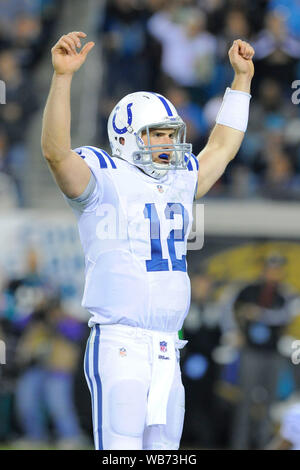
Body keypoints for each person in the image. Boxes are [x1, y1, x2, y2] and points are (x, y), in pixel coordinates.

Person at [41, 30, 254, 450]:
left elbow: (223, 148)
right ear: (127, 136)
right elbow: (55, 153)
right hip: (120, 342)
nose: (169, 143)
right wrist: (62, 79)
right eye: (157, 134)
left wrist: (241, 81)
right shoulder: (103, 177)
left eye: (171, 133)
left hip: (169, 345)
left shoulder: (178, 179)